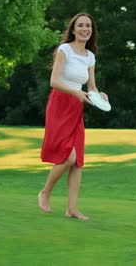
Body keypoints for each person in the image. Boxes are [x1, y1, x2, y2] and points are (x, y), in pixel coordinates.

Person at [37, 13, 108, 221]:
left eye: (88, 26)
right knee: (68, 156)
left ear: (91, 30)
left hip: (76, 106)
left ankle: (72, 209)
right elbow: (54, 81)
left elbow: (91, 87)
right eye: (80, 26)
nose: (85, 29)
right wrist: (76, 93)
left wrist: (100, 96)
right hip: (60, 103)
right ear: (74, 30)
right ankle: (45, 191)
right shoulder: (64, 50)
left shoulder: (90, 57)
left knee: (78, 161)